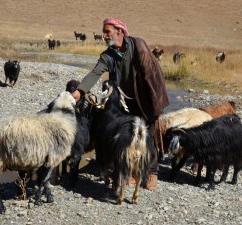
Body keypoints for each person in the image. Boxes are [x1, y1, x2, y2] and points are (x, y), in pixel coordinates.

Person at [71, 18, 169, 190]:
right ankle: (131, 171)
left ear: (120, 32)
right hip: (124, 102)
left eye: (107, 32)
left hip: (146, 99)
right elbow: (95, 73)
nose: (104, 36)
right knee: (128, 136)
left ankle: (152, 172)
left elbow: (151, 76)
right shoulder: (108, 56)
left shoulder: (138, 46)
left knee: (149, 135)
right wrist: (80, 91)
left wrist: (155, 107)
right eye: (104, 32)